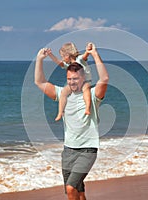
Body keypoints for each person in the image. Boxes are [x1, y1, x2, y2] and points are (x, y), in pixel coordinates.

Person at [34, 43, 109, 200]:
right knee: (79, 191)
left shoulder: (93, 94)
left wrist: (95, 54)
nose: (72, 82)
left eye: (75, 78)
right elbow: (40, 82)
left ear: (82, 78)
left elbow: (105, 78)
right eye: (69, 79)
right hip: (68, 151)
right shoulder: (62, 93)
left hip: (87, 150)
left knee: (71, 187)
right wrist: (39, 60)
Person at [46, 42, 93, 121]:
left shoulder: (79, 59)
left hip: (85, 82)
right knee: (64, 92)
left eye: (62, 56)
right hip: (75, 84)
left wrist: (88, 50)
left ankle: (87, 108)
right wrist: (50, 55)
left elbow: (85, 56)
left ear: (67, 55)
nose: (62, 59)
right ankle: (60, 112)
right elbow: (59, 63)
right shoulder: (69, 65)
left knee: (86, 91)